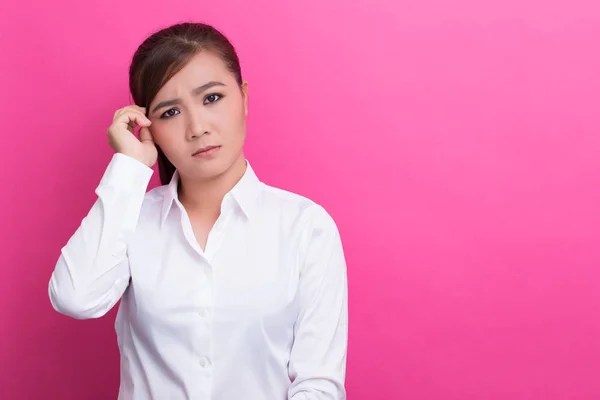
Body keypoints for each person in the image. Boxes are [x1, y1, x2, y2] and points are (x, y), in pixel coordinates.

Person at [48, 22, 348, 399]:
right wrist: (129, 168)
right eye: (170, 112)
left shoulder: (306, 227)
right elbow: (76, 298)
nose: (197, 128)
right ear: (148, 126)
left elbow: (318, 384)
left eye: (211, 98)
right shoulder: (132, 220)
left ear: (244, 98)